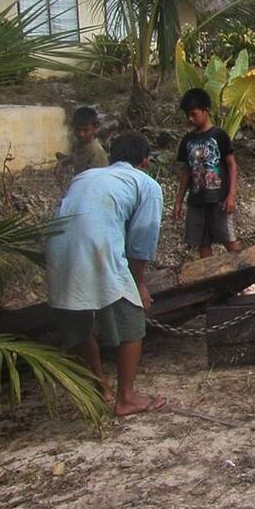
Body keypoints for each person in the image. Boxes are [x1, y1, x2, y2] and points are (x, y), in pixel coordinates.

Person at [46, 131, 165, 416]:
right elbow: (141, 240)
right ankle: (126, 398)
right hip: (95, 243)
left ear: (111, 157)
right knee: (132, 322)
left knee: (77, 317)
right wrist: (138, 284)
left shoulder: (85, 177)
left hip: (55, 245)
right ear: (145, 162)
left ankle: (100, 386)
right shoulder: (146, 184)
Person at [173, 88, 242, 259]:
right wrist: (179, 201)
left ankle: (247, 271)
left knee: (228, 238)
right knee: (202, 243)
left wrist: (231, 195)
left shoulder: (219, 135)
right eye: (187, 115)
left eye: (193, 114)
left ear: (206, 111)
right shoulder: (187, 141)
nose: (190, 119)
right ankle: (211, 280)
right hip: (196, 200)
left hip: (219, 198)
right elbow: (186, 172)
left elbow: (232, 165)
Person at [57, 106, 109, 179]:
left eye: (86, 130)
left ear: (95, 128)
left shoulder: (96, 152)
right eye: (78, 129)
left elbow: (97, 179)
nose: (81, 134)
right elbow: (77, 157)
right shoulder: (79, 144)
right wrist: (63, 163)